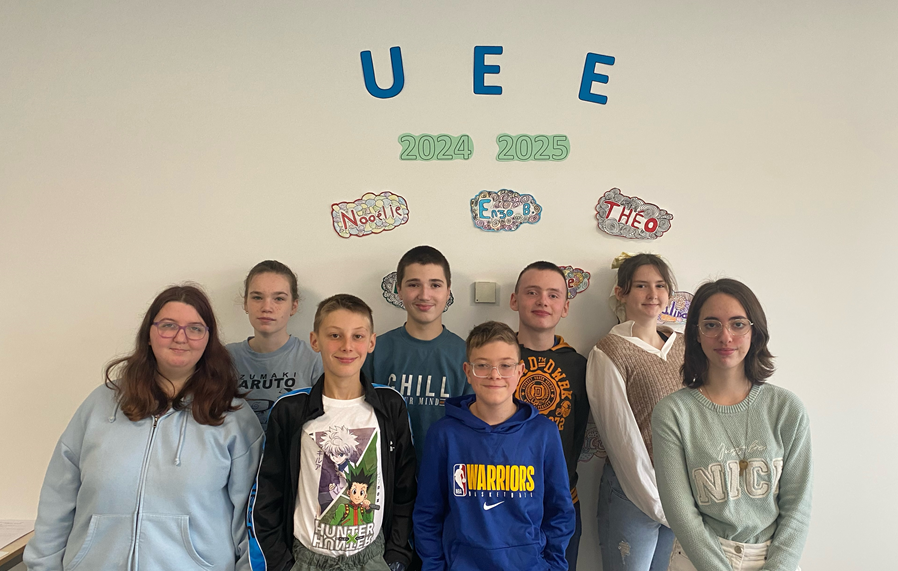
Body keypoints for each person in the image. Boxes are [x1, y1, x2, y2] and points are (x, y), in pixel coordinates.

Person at [24, 284, 263, 571]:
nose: (180, 337)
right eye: (168, 325)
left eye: (195, 328)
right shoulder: (101, 404)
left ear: (208, 340)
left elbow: (251, 521)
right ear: (148, 335)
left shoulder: (232, 417)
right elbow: (57, 499)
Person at [248, 294, 416, 571]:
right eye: (335, 335)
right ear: (315, 341)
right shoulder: (290, 410)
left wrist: (397, 554)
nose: (347, 346)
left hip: (373, 557)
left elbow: (405, 487)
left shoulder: (390, 406)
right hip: (306, 560)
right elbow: (267, 494)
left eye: (357, 336)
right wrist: (280, 563)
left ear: (371, 342)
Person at [652, 279, 812, 571]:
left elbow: (797, 507)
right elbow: (681, 513)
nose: (725, 336)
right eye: (711, 325)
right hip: (699, 559)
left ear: (754, 331)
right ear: (696, 333)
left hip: (774, 559)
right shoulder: (673, 413)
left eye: (738, 324)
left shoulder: (787, 409)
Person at [414, 321, 575, 571]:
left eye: (505, 365)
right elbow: (427, 513)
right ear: (468, 371)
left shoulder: (543, 433)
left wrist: (553, 566)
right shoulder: (444, 434)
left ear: (520, 371)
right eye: (482, 365)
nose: (495, 375)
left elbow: (560, 510)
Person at [585, 253, 682, 571]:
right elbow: (621, 438)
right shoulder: (609, 351)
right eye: (641, 285)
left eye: (660, 285)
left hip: (682, 491)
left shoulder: (684, 346)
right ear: (621, 292)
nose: (653, 294)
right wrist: (658, 504)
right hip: (632, 491)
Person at [510, 261, 588, 571]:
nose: (543, 301)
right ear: (514, 300)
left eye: (553, 295)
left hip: (559, 503)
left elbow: (578, 434)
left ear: (565, 307)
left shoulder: (580, 366)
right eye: (532, 292)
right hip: (502, 499)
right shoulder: (495, 360)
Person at [363, 245, 472, 465]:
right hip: (386, 475)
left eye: (435, 285)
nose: (424, 295)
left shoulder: (467, 355)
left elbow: (472, 429)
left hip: (445, 474)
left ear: (448, 291)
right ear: (399, 290)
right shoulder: (374, 350)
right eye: (414, 284)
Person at [228, 260, 323, 430]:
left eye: (279, 298)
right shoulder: (225, 358)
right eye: (257, 297)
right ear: (245, 303)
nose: (267, 307)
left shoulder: (314, 359)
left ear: (293, 306)